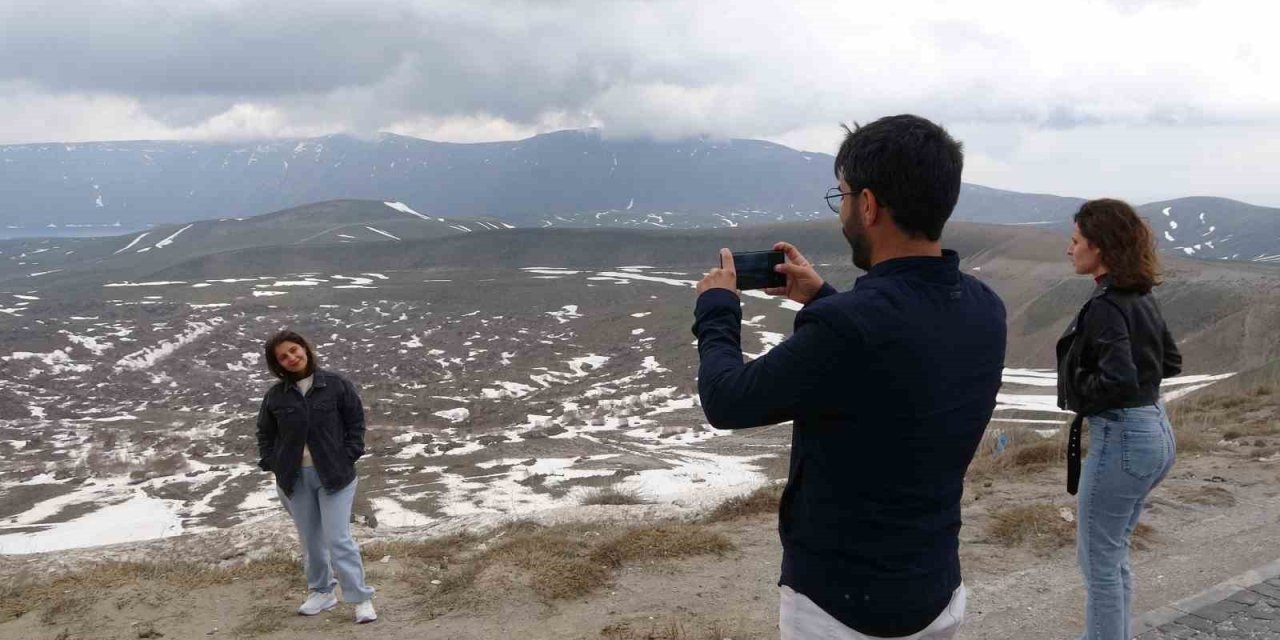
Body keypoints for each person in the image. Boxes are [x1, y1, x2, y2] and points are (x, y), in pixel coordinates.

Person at [693, 114, 1006, 639]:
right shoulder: (983, 306)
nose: (842, 214)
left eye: (841, 197)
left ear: (869, 204)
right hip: (934, 587)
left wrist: (718, 309)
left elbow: (727, 401)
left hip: (842, 605)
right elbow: (899, 354)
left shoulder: (851, 327)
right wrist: (823, 297)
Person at [1058, 198, 1180, 640]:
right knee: (1113, 555)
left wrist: (1079, 390)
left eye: (1075, 241)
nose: (1069, 250)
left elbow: (1119, 379)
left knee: (1099, 565)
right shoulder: (1141, 296)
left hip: (1123, 436)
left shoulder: (1109, 304)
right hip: (1156, 429)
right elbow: (1171, 361)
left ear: (1100, 247)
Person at [256, 329, 377, 624]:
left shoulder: (336, 385)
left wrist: (348, 454)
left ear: (306, 349)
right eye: (283, 357)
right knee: (311, 540)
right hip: (295, 479)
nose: (291, 358)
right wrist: (274, 463)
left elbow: (355, 423)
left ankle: (360, 598)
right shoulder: (275, 396)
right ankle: (322, 592)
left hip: (335, 476)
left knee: (337, 538)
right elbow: (265, 433)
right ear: (278, 364)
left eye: (294, 350)